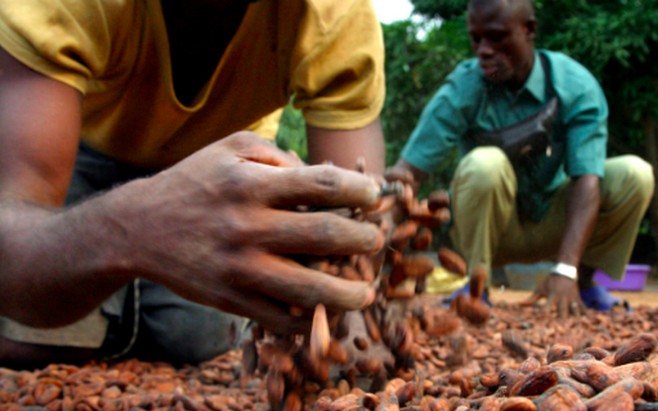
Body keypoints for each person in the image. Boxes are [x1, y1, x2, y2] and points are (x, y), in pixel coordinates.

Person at [0, 0, 387, 368]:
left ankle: (126, 309)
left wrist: (346, 314)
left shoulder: (337, 14)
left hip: (225, 166)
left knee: (195, 338)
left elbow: (357, 226)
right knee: (30, 338)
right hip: (79, 145)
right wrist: (130, 229)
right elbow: (10, 234)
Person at [389, 0, 654, 317]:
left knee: (635, 174)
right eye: (477, 39)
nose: (484, 50)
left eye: (497, 37)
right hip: (493, 232)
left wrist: (566, 269)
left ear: (529, 29)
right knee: (484, 163)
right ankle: (477, 287)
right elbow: (408, 173)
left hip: (558, 223)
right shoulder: (464, 86)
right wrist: (377, 239)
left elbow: (587, 181)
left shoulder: (574, 85)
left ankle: (581, 283)